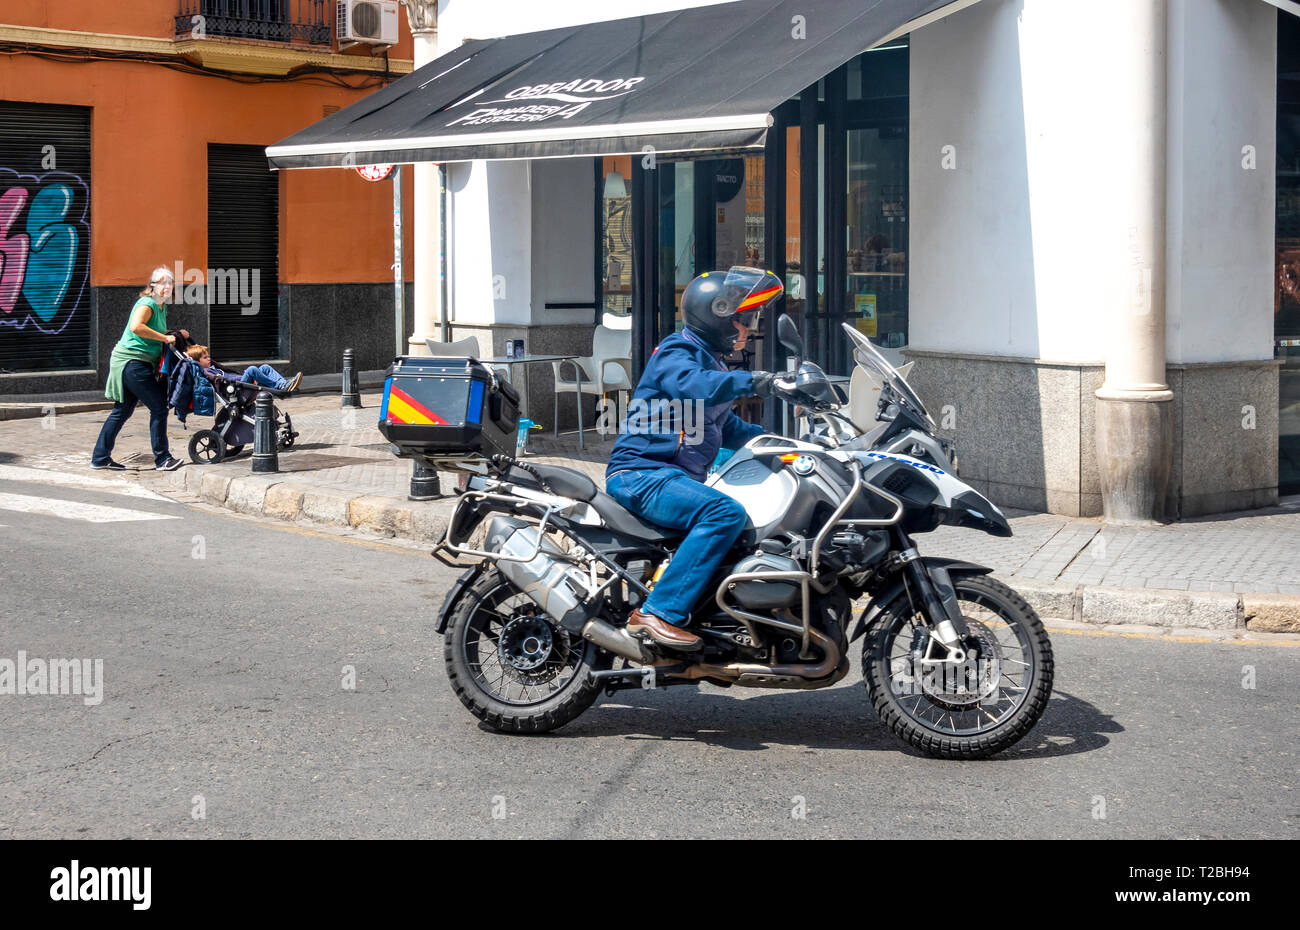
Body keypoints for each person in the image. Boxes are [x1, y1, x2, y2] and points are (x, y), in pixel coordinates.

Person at [604, 266, 783, 650]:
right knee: (723, 513)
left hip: (672, 478)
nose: (748, 328)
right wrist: (759, 380)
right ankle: (657, 613)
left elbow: (728, 428)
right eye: (743, 319)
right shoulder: (677, 351)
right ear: (717, 316)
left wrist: (788, 445)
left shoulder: (712, 362)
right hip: (643, 473)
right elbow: (695, 387)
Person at [91, 266, 188, 471]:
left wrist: (175, 333)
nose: (167, 287)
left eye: (170, 283)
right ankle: (162, 459)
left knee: (122, 410)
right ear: (152, 286)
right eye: (163, 283)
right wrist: (165, 337)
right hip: (132, 363)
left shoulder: (161, 307)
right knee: (159, 406)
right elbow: (137, 327)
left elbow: (152, 329)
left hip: (134, 363)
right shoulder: (148, 303)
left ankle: (100, 458)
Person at [185, 345, 302, 393]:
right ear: (197, 362)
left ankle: (284, 384)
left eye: (208, 356)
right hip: (236, 389)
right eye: (205, 358)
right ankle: (278, 387)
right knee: (252, 369)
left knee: (265, 367)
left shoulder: (213, 366)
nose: (209, 359)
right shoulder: (205, 371)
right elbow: (216, 381)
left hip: (240, 381)